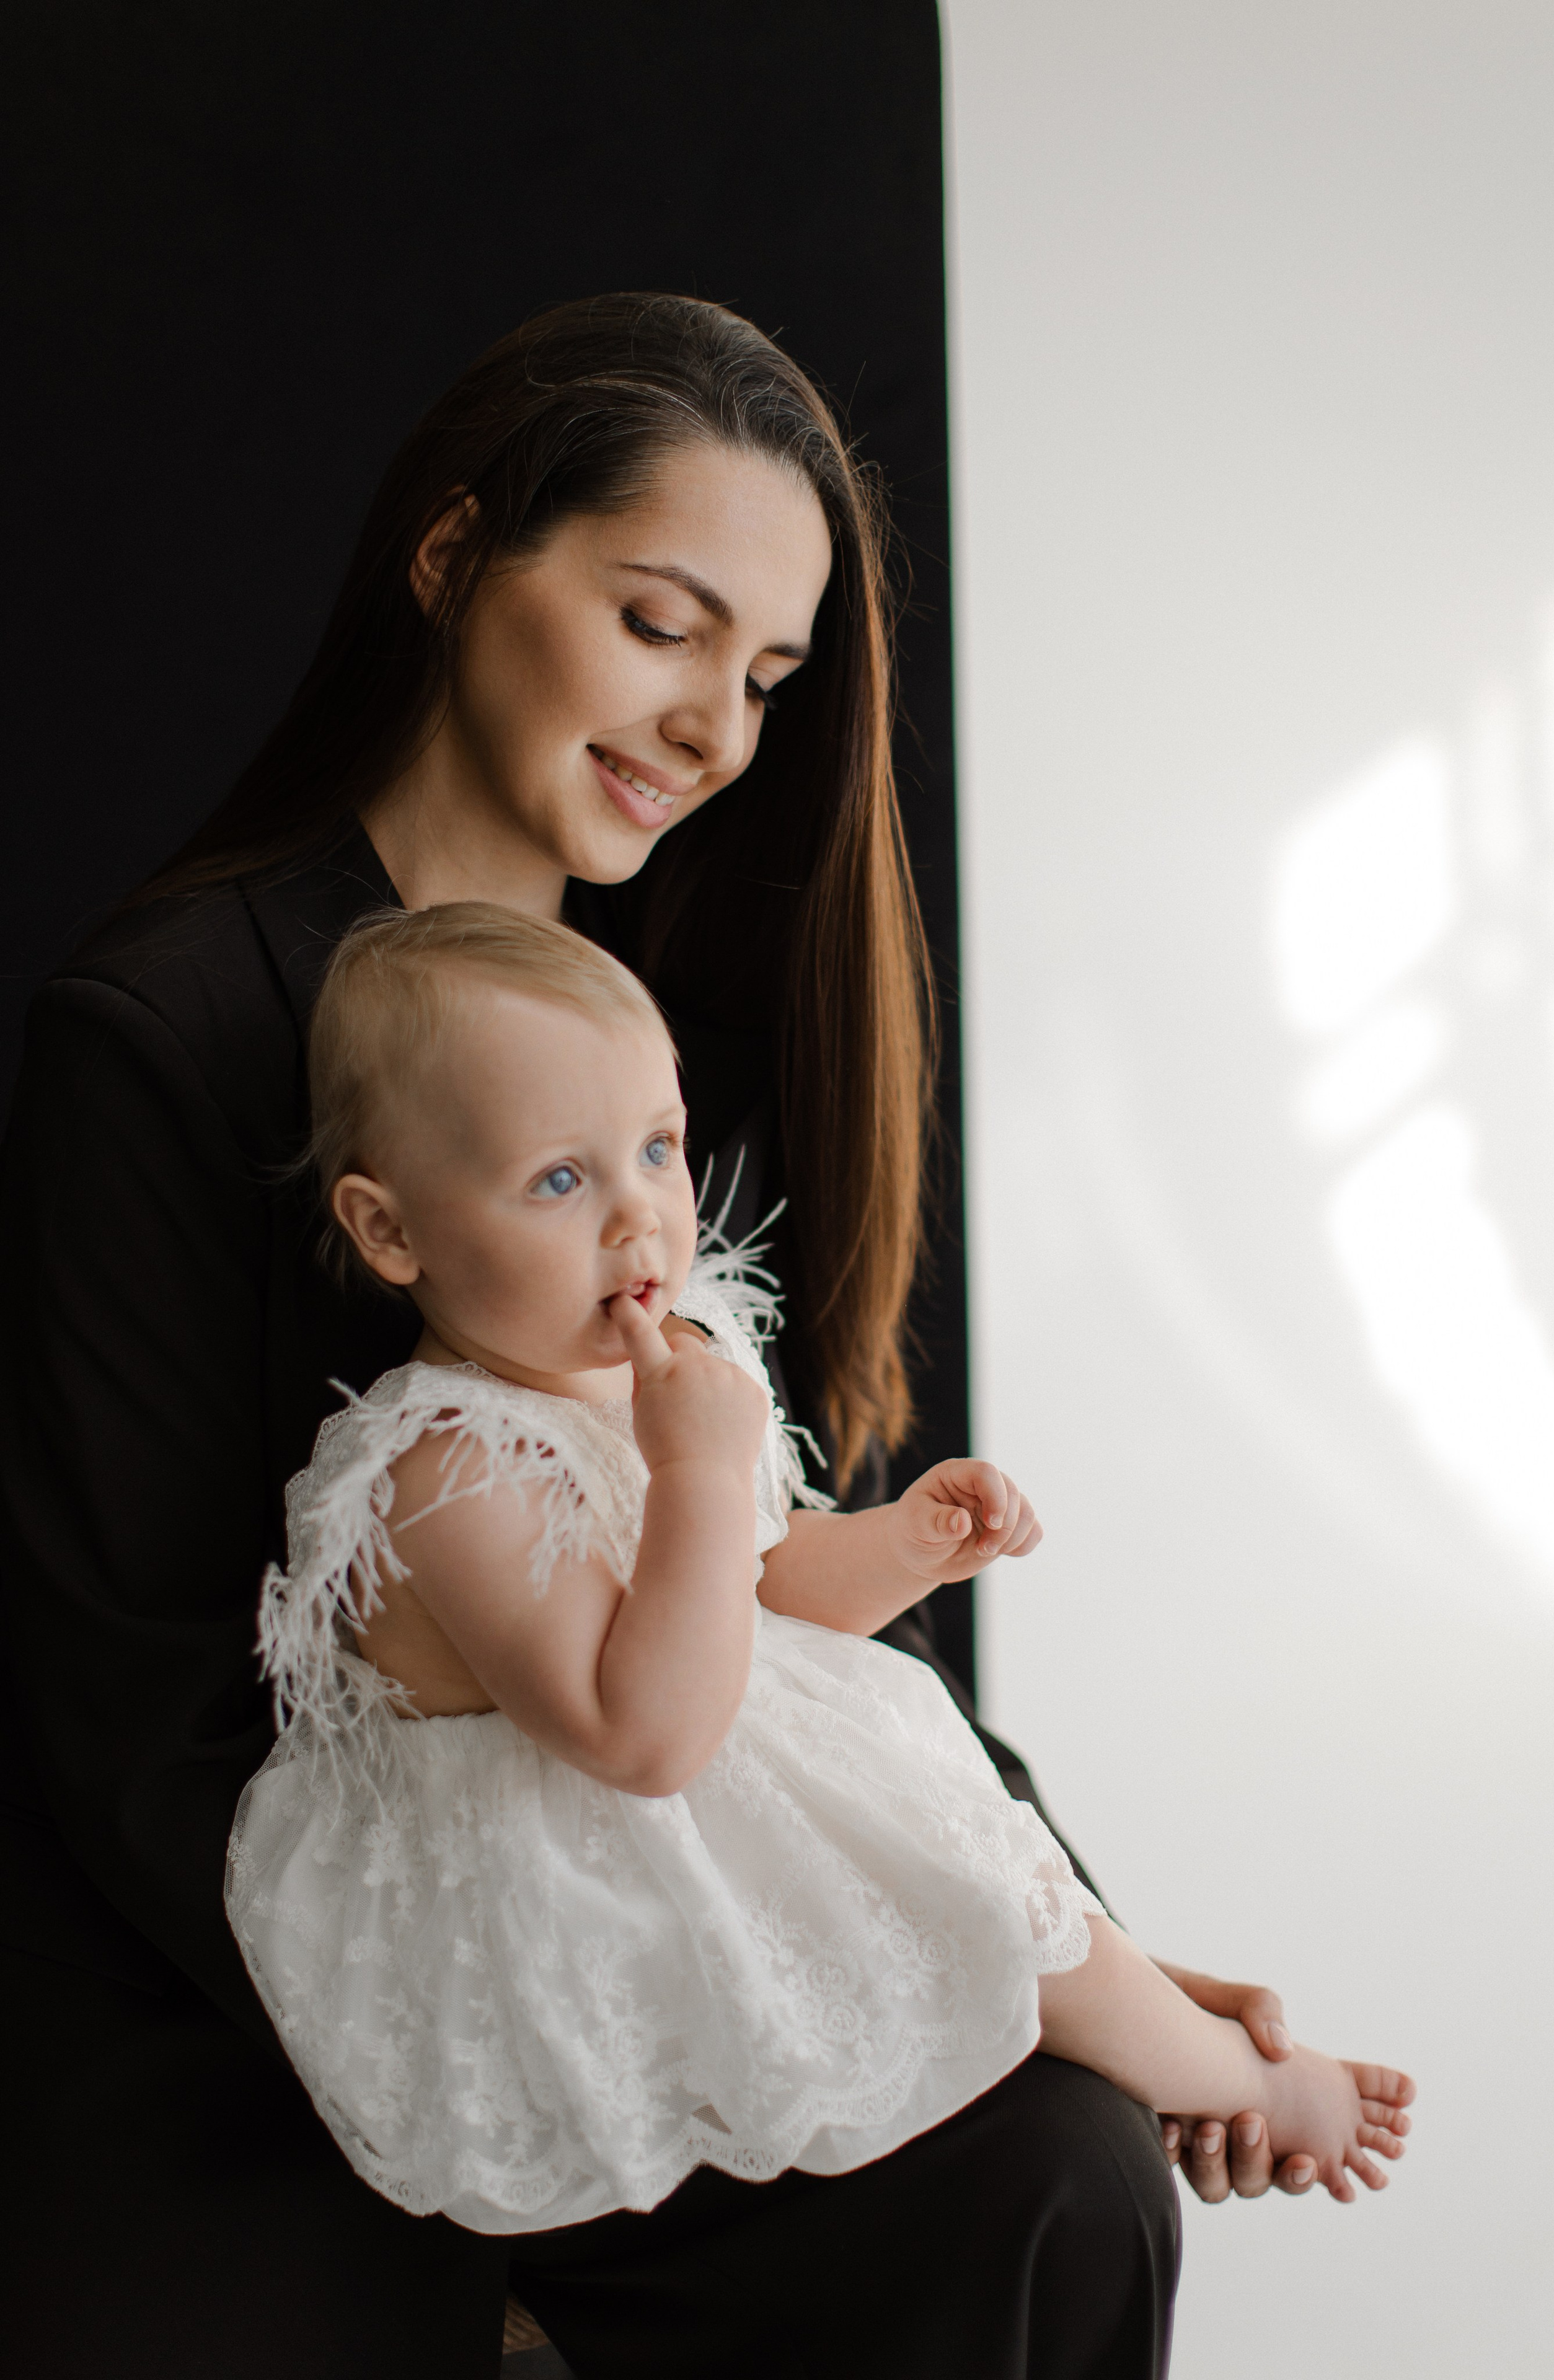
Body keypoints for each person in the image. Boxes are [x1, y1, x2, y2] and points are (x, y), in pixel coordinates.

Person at [1, 294, 1351, 2380]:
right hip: (322, 1990)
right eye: (665, 625)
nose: (722, 726)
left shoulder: (646, 1070)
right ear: (455, 565)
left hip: (660, 1911)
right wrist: (561, 2018)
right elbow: (136, 1718)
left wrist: (1062, 1943)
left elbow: (788, 1631)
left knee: (1059, 2177)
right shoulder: (162, 1038)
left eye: (771, 674)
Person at [227, 899, 1414, 2271]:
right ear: (390, 1232)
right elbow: (642, 1735)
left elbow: (761, 1587)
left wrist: (902, 1545)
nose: (637, 1222)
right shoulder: (447, 1470)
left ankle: (1164, 2041)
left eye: (658, 1151)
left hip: (702, 1803)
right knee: (967, 1885)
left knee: (979, 1850)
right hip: (580, 1887)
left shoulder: (664, 1363)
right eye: (559, 1181)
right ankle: (1234, 2078)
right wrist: (694, 1477)